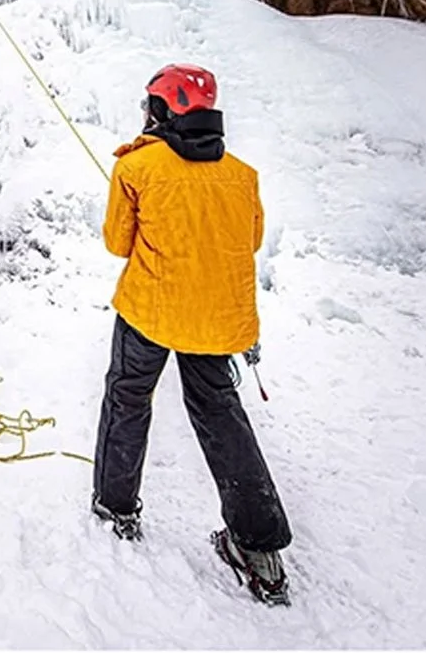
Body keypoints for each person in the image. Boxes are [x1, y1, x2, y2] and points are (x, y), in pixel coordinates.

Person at [93, 63, 291, 605]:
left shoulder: (138, 167)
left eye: (148, 105)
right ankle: (259, 551)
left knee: (129, 397)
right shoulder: (242, 174)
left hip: (151, 310)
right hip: (217, 317)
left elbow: (117, 243)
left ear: (161, 111)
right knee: (219, 412)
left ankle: (116, 507)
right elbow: (248, 240)